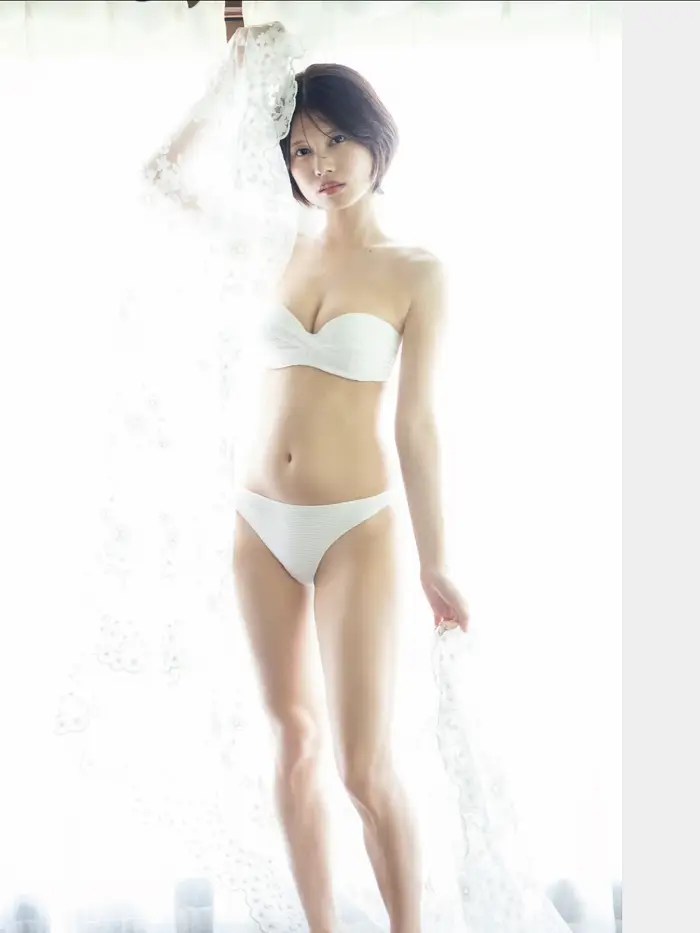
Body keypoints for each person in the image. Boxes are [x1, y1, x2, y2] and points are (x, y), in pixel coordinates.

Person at [226, 35, 470, 933]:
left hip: (355, 525)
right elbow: (158, 179)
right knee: (292, 743)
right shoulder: (272, 246)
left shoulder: (416, 271)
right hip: (258, 522)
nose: (320, 164)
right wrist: (231, 81)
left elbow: (418, 424)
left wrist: (435, 561)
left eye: (336, 140)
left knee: (363, 767)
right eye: (300, 148)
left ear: (377, 140)